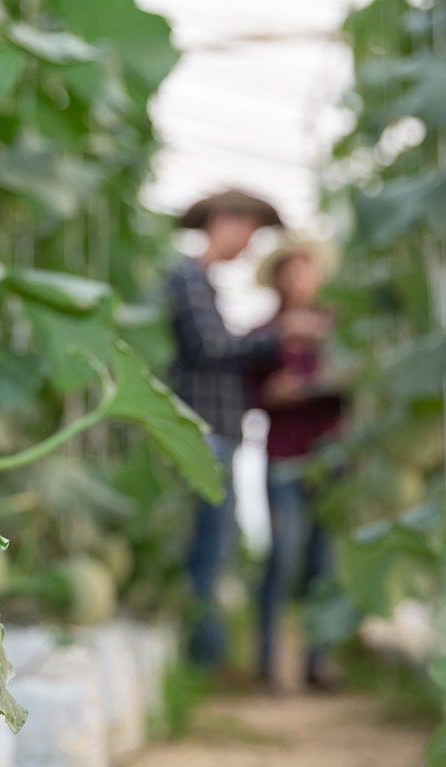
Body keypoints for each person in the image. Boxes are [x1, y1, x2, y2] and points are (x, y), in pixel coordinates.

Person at [168, 191, 325, 669]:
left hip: (220, 435)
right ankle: (205, 660)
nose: (250, 246)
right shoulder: (188, 279)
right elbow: (212, 348)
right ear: (224, 222)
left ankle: (208, 657)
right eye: (251, 234)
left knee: (215, 549)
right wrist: (277, 337)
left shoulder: (204, 284)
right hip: (208, 434)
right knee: (209, 552)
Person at [246, 239, 346, 693]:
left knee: (322, 563)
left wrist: (309, 382)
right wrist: (274, 393)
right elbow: (252, 394)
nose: (297, 278)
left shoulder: (337, 327)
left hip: (330, 458)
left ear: (316, 276)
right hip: (284, 458)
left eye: (304, 270)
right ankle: (267, 662)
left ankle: (317, 662)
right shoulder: (264, 332)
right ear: (278, 279)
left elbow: (356, 378)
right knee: (284, 555)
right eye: (289, 271)